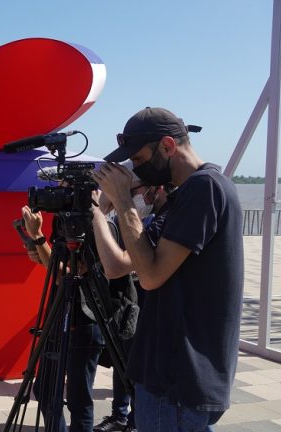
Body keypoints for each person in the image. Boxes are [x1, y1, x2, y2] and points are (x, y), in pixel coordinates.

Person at [92, 107, 243, 432]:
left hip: (177, 378)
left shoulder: (205, 189)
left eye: (140, 159)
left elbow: (149, 275)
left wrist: (123, 202)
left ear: (168, 146)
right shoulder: (191, 193)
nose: (136, 169)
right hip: (174, 377)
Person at [20, 176, 151, 432]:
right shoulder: (64, 221)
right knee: (46, 390)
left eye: (64, 189)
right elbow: (59, 267)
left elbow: (69, 274)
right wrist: (41, 252)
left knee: (79, 400)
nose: (59, 194)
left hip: (86, 318)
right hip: (62, 313)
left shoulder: (96, 225)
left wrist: (37, 238)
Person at [90, 179, 169, 432]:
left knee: (137, 364)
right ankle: (121, 415)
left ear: (155, 188)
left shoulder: (161, 220)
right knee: (123, 358)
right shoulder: (130, 218)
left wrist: (98, 210)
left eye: (133, 191)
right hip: (129, 297)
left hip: (149, 302)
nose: (131, 197)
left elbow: (117, 265)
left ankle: (133, 420)